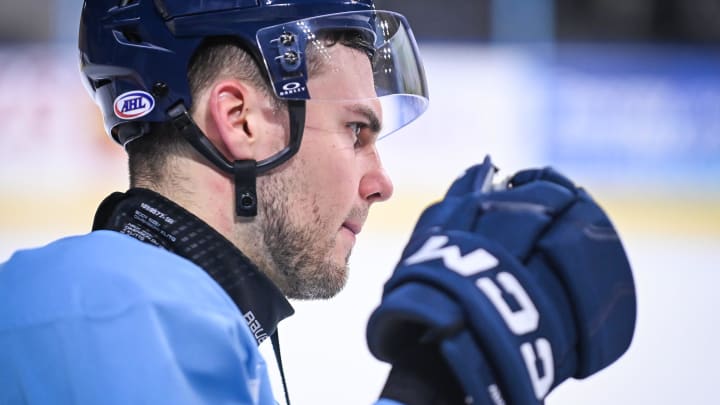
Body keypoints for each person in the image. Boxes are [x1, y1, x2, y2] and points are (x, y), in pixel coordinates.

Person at [0, 0, 637, 404]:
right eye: (357, 131)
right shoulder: (114, 311)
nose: (381, 182)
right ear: (241, 120)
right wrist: (436, 387)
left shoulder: (142, 309)